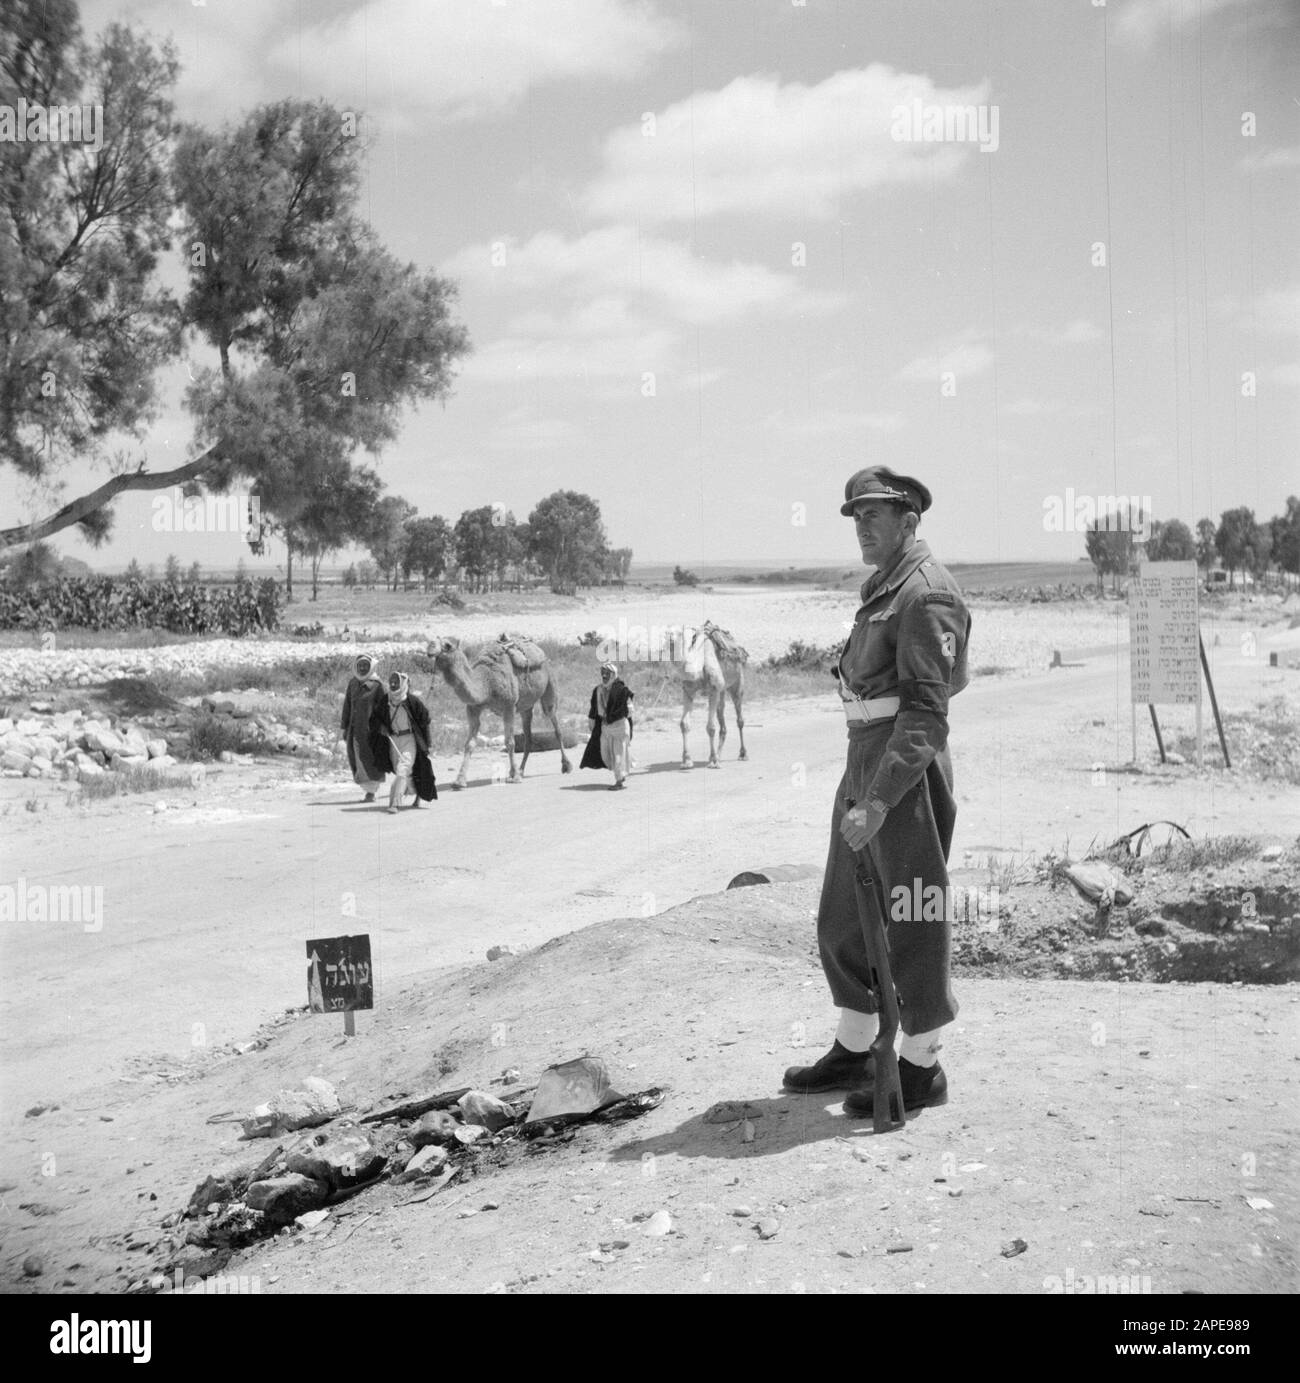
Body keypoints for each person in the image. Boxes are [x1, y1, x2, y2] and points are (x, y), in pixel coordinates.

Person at [783, 466, 971, 1117]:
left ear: (909, 519)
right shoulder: (886, 589)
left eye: (874, 514)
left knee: (914, 910)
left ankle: (921, 1062)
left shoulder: (925, 594)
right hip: (865, 757)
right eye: (855, 515)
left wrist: (882, 797)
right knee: (842, 912)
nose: (862, 526)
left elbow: (928, 713)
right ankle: (858, 1042)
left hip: (904, 772)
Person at [368, 671, 437, 814]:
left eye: (396, 682)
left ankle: (394, 803)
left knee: (402, 769)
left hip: (409, 739)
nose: (393, 684)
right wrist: (382, 727)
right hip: (393, 740)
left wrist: (427, 742)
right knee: (402, 771)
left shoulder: (412, 701)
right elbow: (375, 718)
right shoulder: (385, 700)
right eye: (391, 681)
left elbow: (425, 720)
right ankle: (416, 793)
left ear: (404, 684)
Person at [580, 661, 634, 789]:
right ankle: (622, 772)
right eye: (602, 673)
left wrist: (620, 716)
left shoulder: (622, 690)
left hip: (619, 727)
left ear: (613, 674)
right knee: (606, 754)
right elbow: (594, 708)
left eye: (607, 673)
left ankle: (619, 781)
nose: (604, 676)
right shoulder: (598, 690)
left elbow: (630, 710)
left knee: (618, 754)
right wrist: (592, 722)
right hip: (605, 728)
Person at [341, 652, 386, 801]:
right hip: (354, 730)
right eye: (360, 665)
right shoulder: (353, 683)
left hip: (370, 731)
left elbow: (384, 708)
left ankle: (371, 792)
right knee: (357, 758)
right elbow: (347, 705)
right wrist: (344, 726)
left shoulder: (377, 685)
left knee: (369, 759)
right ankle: (368, 789)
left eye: (365, 666)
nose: (362, 668)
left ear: (371, 666)